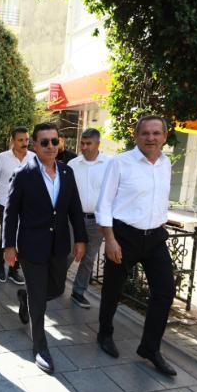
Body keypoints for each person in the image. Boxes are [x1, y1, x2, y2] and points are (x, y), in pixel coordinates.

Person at [95, 115, 177, 377]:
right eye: (145, 133)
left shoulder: (165, 163)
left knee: (165, 292)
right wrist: (110, 239)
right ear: (136, 136)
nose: (151, 138)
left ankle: (150, 348)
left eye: (156, 133)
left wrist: (161, 218)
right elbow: (104, 204)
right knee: (113, 290)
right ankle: (105, 333)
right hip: (124, 236)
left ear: (164, 136)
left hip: (155, 238)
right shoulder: (120, 162)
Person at [3, 122, 87, 374]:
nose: (50, 146)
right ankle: (40, 347)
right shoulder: (23, 174)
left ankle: (25, 297)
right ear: (35, 145)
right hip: (32, 246)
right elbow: (11, 213)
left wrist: (80, 239)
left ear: (59, 143)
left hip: (59, 244)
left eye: (54, 141)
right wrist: (9, 245)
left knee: (57, 289)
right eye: (44, 142)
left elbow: (74, 208)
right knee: (39, 300)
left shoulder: (67, 172)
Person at [66, 128, 110, 309]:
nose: (84, 147)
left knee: (89, 257)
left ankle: (78, 292)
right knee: (68, 253)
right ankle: (55, 284)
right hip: (73, 218)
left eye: (88, 144)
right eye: (82, 143)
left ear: (98, 143)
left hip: (97, 220)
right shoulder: (73, 164)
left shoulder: (110, 164)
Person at [0, 126, 35, 285]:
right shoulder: (2, 158)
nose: (24, 143)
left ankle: (14, 270)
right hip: (6, 203)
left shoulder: (34, 158)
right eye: (20, 140)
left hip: (27, 205)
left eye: (26, 139)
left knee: (21, 236)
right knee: (7, 235)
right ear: (13, 141)